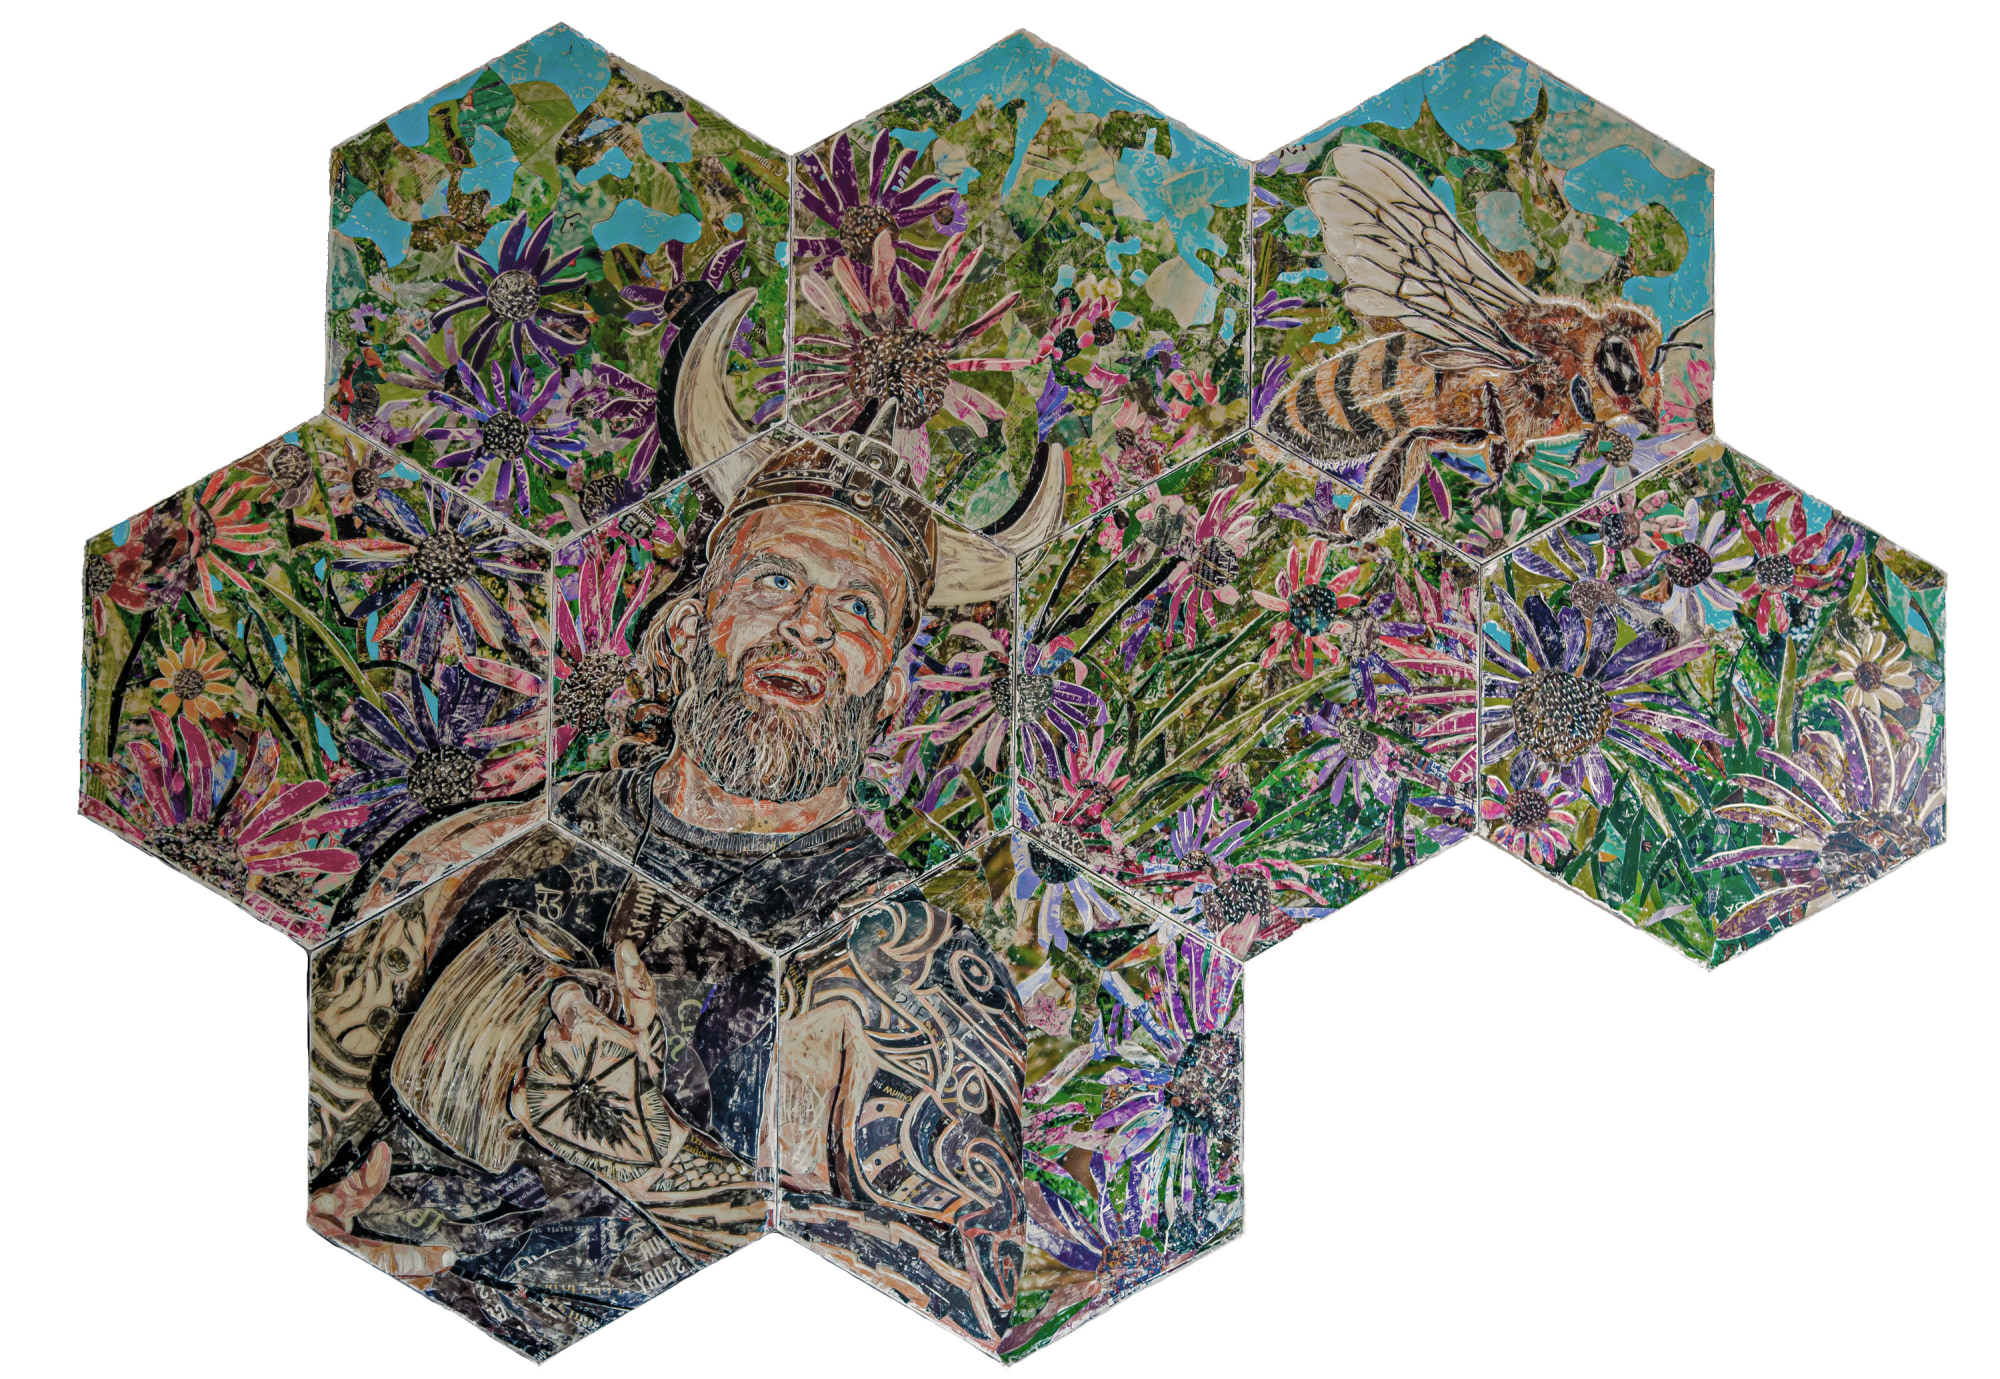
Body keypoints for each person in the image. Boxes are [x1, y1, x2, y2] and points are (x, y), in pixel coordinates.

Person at [306, 436, 1026, 1357]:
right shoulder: (476, 854)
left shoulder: (909, 963)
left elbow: (961, 1305)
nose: (809, 624)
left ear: (888, 693)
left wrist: (656, 1155)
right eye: (775, 580)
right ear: (688, 631)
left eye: (857, 606)